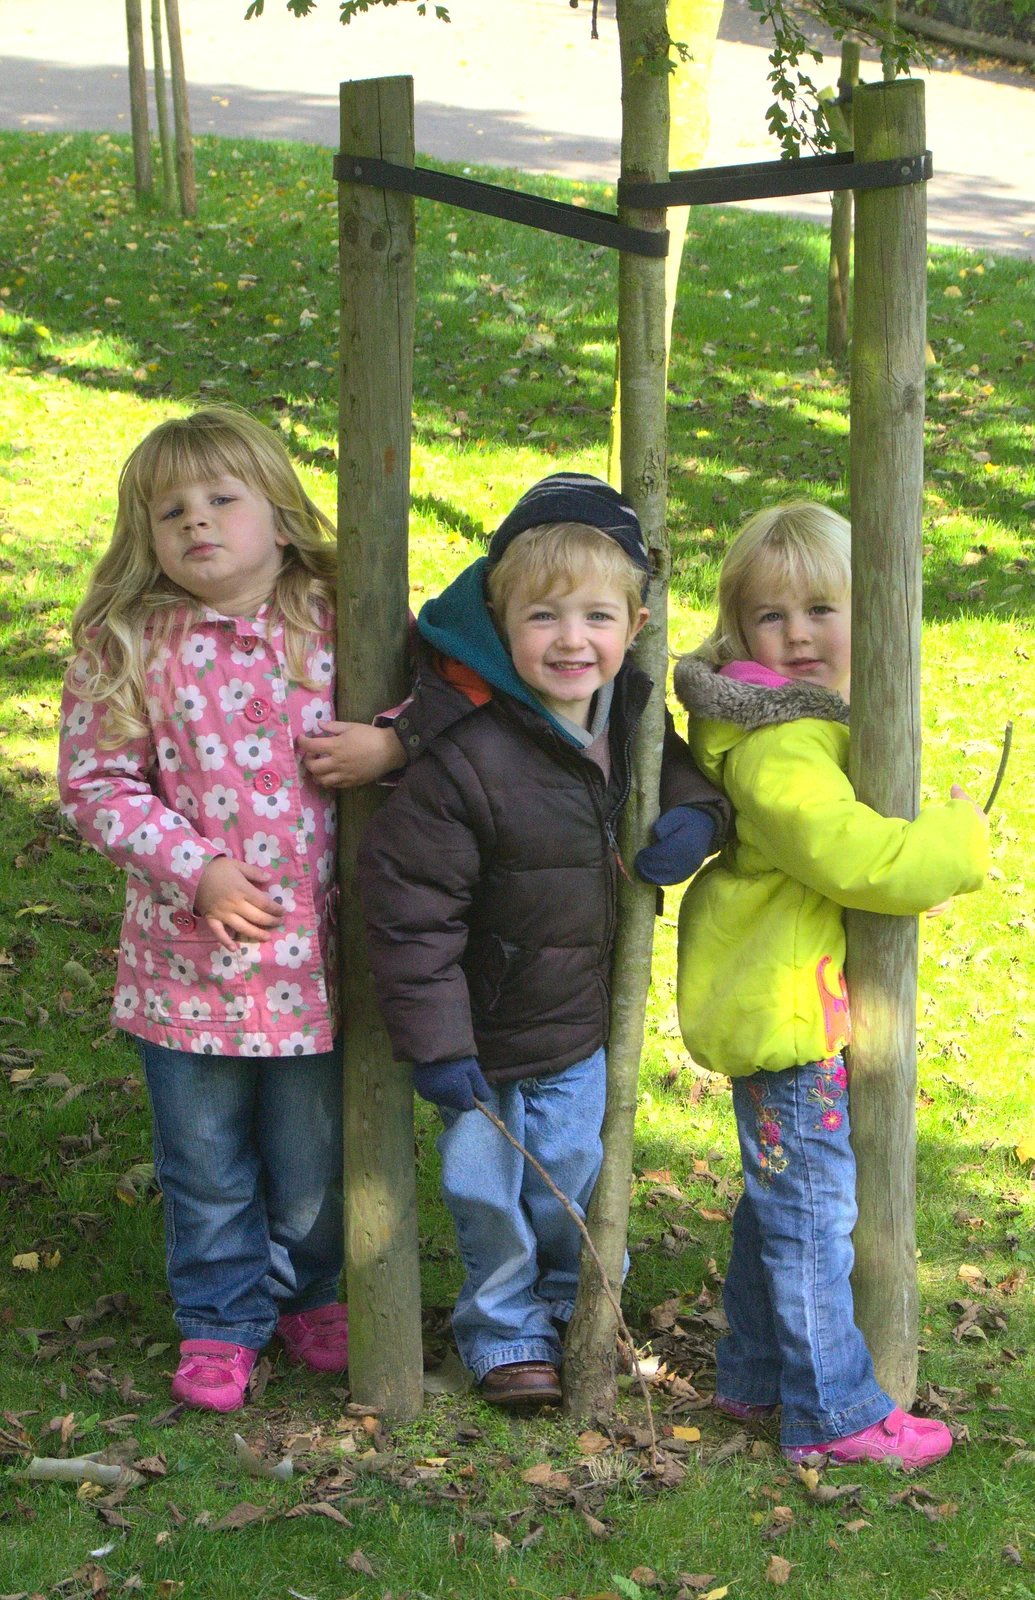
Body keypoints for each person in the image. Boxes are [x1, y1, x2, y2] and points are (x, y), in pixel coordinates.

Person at [57, 407, 404, 1413]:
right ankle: (220, 1319)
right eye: (172, 510)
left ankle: (306, 1293)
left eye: (222, 499)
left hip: (317, 967)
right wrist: (197, 867)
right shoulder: (129, 640)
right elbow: (96, 784)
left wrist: (391, 746)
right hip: (186, 968)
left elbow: (443, 698)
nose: (197, 522)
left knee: (310, 1159)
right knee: (205, 1160)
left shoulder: (344, 613)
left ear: (281, 515)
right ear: (147, 533)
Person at [358, 473, 729, 1408]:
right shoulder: (468, 752)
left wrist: (695, 822)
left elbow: (683, 781)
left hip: (577, 1024)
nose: (572, 640)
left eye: (597, 616)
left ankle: (575, 1312)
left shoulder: (637, 721)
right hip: (480, 1032)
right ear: (499, 618)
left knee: (574, 1172)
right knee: (487, 1197)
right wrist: (438, 1046)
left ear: (635, 623)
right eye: (543, 617)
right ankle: (501, 1332)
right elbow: (411, 908)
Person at [672, 500, 988, 1467]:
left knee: (783, 1197)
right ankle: (835, 1411)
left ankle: (753, 1373)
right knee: (812, 1214)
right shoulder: (781, 743)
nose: (799, 632)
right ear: (737, 625)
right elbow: (847, 855)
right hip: (783, 1012)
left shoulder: (799, 723)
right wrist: (953, 843)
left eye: (821, 608)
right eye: (771, 616)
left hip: (779, 994)